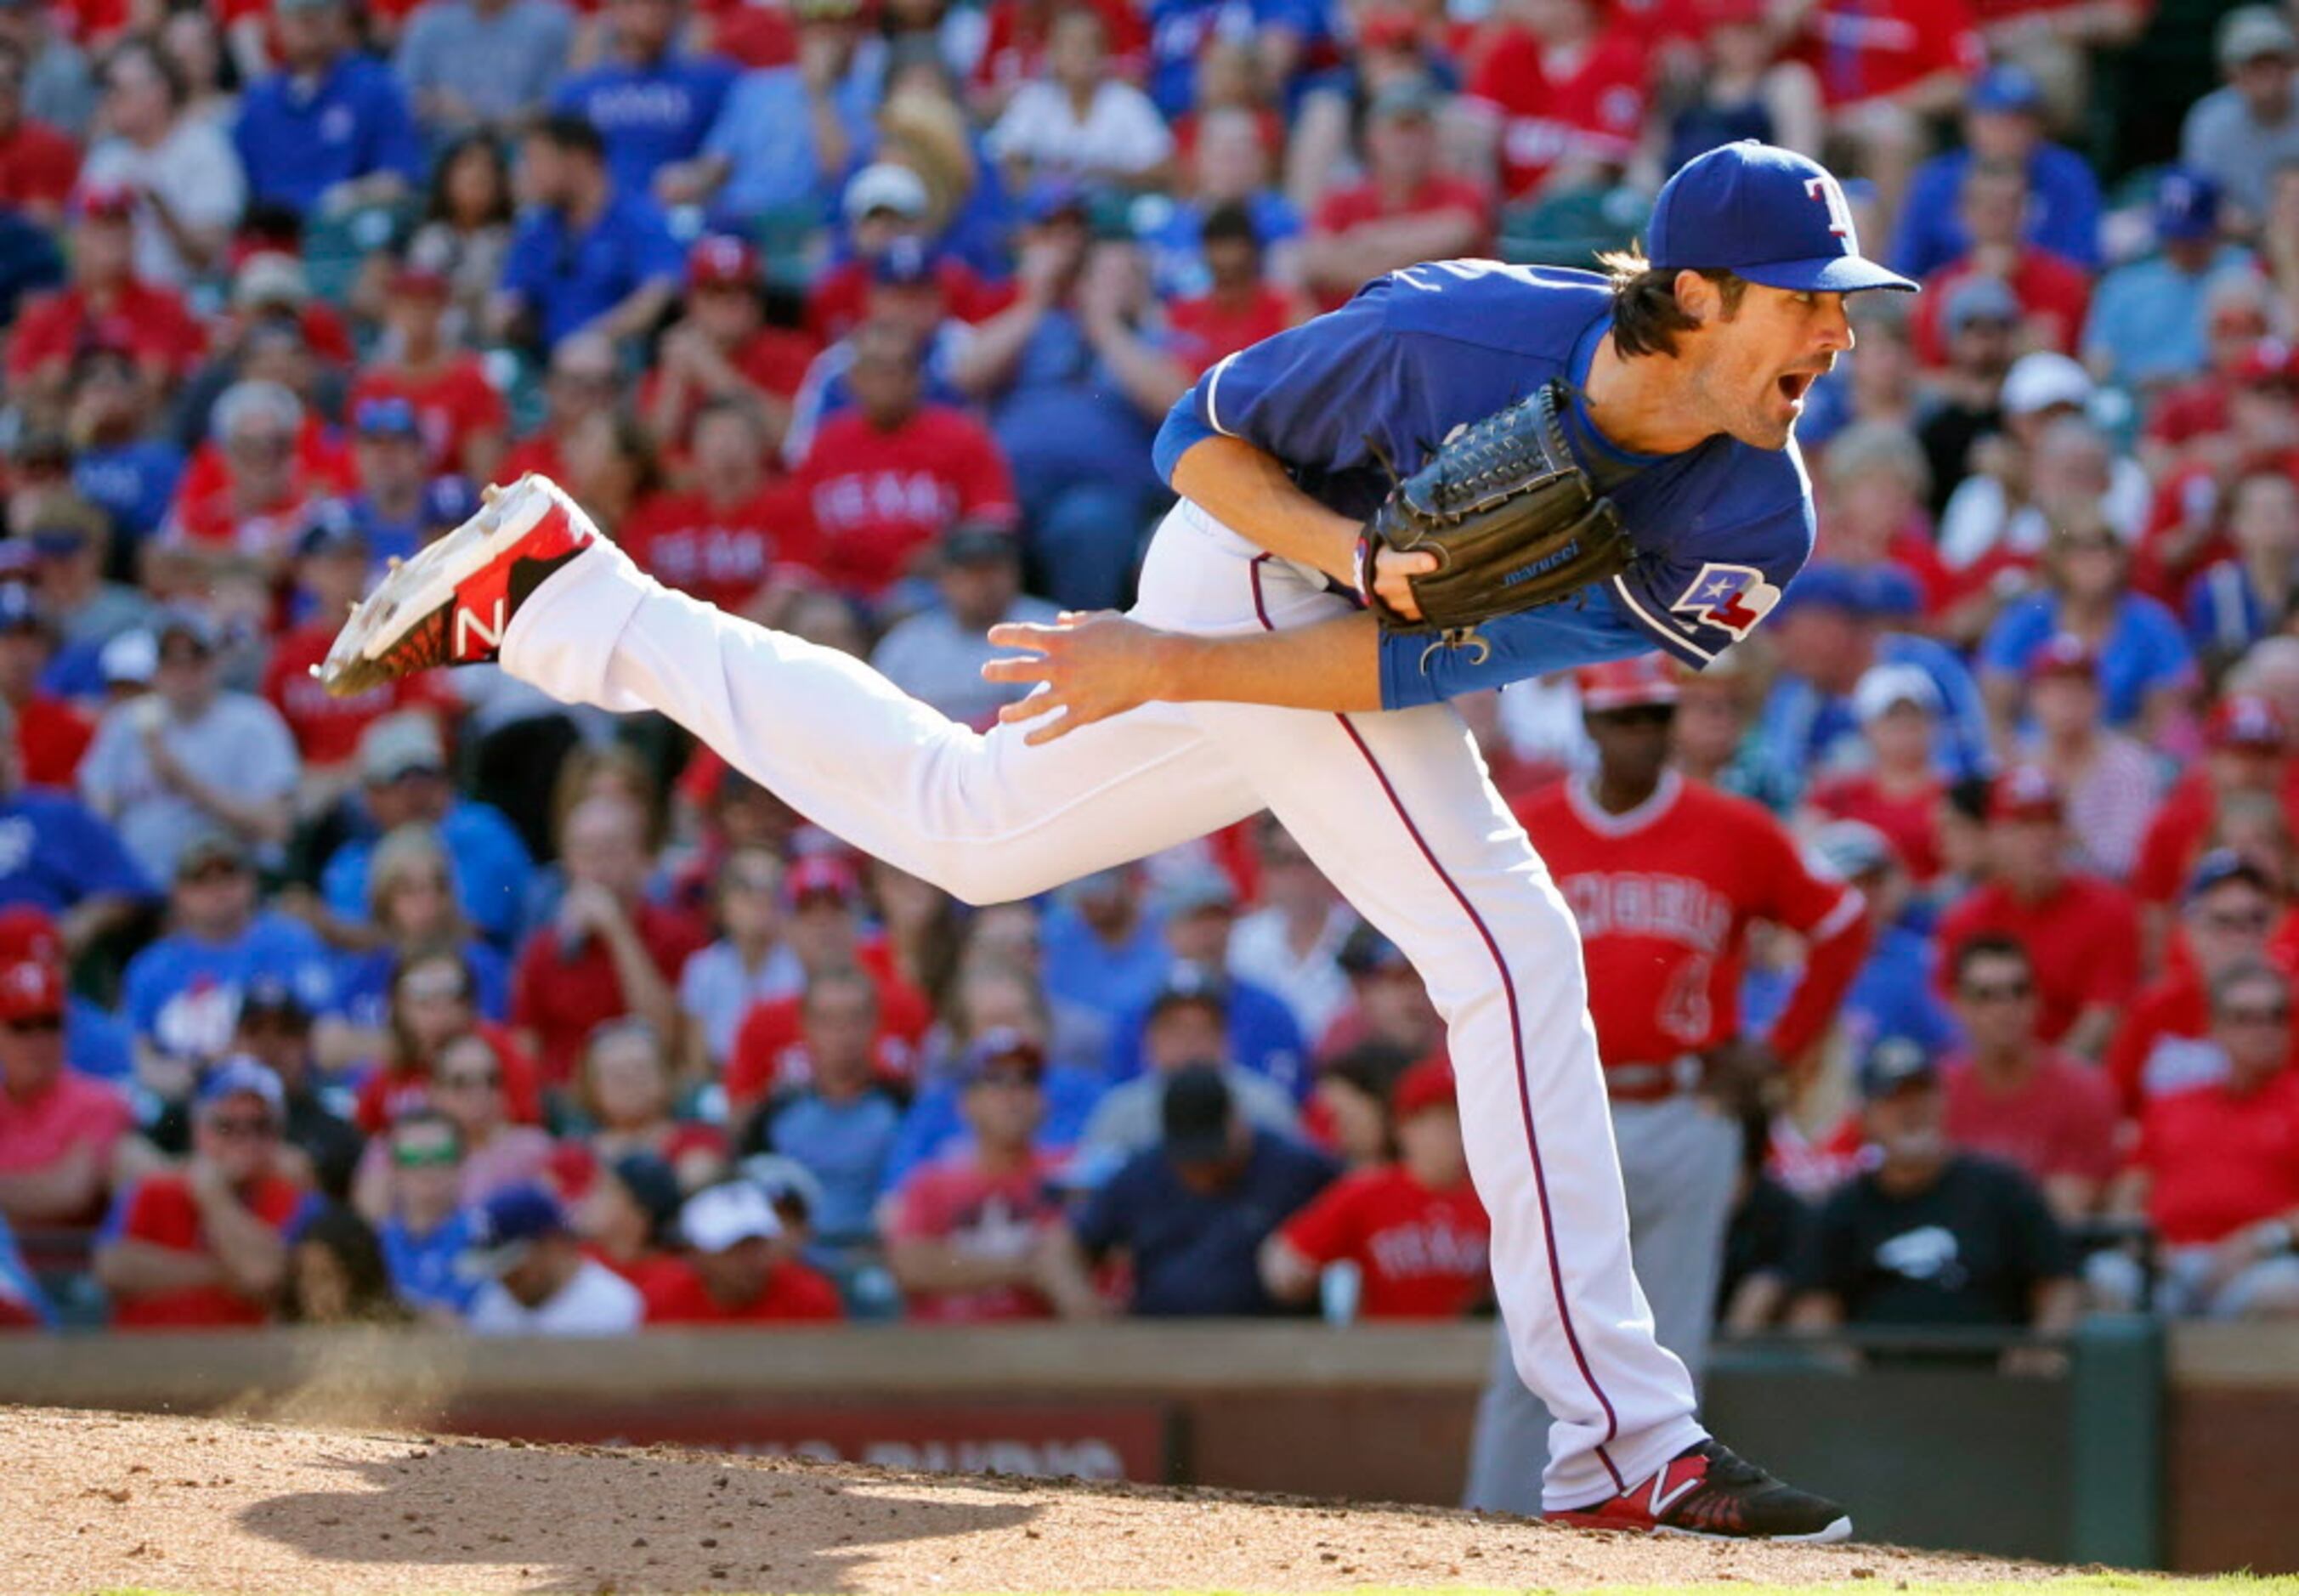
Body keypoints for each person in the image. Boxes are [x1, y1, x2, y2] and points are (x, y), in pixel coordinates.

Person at [324, 139, 1906, 1538]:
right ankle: (1624, 1442)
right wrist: (1333, 557)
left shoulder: (1752, 521)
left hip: (1317, 642)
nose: (1838, 329)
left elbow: (1412, 664)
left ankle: (567, 598)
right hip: (1252, 540)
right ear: (1691, 294)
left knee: (973, 830)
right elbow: (1198, 441)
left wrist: (1189, 671)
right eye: (1805, 297)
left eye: (1842, 299)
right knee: (1510, 944)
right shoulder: (1463, 331)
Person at [1466, 654, 1868, 1515]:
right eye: (1623, 719)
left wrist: (1780, 1048)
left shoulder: (1732, 829)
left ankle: (1652, 1535)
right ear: (1588, 724)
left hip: (1689, 1104)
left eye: (1654, 716)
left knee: (1666, 1350)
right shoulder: (1524, 827)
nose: (1641, 735)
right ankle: (1490, 1537)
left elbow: (1839, 921)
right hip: (1564, 1110)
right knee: (1529, 1350)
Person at [1787, 1037, 2082, 1354]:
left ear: (1943, 1101)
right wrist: (1838, 1371)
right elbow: (1812, 1307)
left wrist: (2041, 1352)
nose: (1911, 1110)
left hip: (1994, 1386)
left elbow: (2059, 1283)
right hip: (1877, 1390)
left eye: (1921, 1094)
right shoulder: (1844, 1209)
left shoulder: (2002, 1189)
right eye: (1894, 1099)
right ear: (1866, 1120)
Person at [1050, 1065, 1335, 1319]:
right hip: (1162, 1346)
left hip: (1277, 1345)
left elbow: (1359, 1206)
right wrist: (1084, 1306)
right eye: (1191, 1158)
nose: (1202, 1170)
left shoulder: (1296, 1168)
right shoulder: (1143, 1173)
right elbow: (1067, 1247)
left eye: (1212, 1155)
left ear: (1236, 1124)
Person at [2108, 960, 2299, 1318]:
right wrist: (2143, 1246)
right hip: (2167, 1265)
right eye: (2245, 1017)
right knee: (2104, 1279)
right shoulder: (2171, 1104)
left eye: (2276, 1016)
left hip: (2266, 1263)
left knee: (2284, 1290)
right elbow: (2128, 1196)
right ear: (2213, 1026)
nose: (2264, 1029)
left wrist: (2264, 1240)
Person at [77, 607, 300, 885]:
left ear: (216, 661)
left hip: (225, 881)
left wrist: (183, 780)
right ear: (155, 670)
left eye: (195, 658)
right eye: (170, 661)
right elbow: (100, 810)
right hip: (139, 887)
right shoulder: (126, 722)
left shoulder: (252, 721)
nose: (183, 672)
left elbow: (276, 826)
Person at [1933, 767, 2142, 1059]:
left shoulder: (2110, 910)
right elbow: (1952, 1019)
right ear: (1993, 835)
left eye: (2051, 822)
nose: (2042, 837)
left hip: (2075, 1080)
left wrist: (2044, 1090)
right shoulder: (1963, 920)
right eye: (2024, 824)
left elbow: (2103, 1018)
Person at [94, 1057, 317, 1329]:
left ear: (278, 1135)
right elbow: (112, 1268)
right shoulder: (153, 1189)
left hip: (248, 1362)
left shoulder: (297, 1199)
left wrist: (214, 1197)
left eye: (260, 1126)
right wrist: (219, 1272)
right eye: (226, 1126)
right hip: (146, 1358)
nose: (245, 1140)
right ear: (199, 1130)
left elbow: (263, 1275)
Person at [1259, 1056, 1488, 1320]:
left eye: (1463, 1120)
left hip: (1474, 1353)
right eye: (1443, 1121)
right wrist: (1294, 1277)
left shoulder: (1495, 1197)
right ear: (1405, 1128)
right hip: (1383, 1352)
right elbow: (1283, 1263)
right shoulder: (1369, 1192)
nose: (1457, 1134)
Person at [881, 1030, 1079, 1321]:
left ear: (1043, 1099)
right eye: (996, 1079)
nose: (1013, 1094)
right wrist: (1028, 1268)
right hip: (950, 1353)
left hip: (1051, 1352)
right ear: (967, 1102)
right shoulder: (932, 1183)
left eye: (1027, 1079)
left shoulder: (1072, 1173)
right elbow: (908, 1265)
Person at [1938, 935, 2118, 1223]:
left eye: (2018, 991)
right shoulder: (1935, 1093)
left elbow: (2069, 1206)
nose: (2005, 1006)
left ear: (2037, 1000)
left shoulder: (2083, 1089)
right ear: (1958, 1005)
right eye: (1986, 995)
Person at [490, 111, 683, 354]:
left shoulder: (641, 220)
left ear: (578, 159)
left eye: (537, 160)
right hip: (545, 363)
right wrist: (506, 318)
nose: (529, 172)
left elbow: (655, 296)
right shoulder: (539, 229)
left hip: (613, 362)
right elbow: (508, 298)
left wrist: (592, 339)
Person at [229, 0, 422, 220]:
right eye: (296, 14)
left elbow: (399, 178)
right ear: (275, 23)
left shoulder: (378, 87)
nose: (308, 22)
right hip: (270, 235)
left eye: (318, 12)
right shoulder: (258, 100)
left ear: (340, 18)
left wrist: (352, 195)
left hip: (348, 232)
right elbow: (234, 189)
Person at [0, 911, 132, 1231]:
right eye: (22, 1027)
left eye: (51, 1024)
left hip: (71, 1272)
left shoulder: (99, 1100)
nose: (39, 1040)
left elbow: (67, 1192)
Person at [871, 522, 1062, 727]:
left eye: (993, 570)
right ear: (945, 580)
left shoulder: (1052, 629)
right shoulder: (906, 643)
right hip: (930, 753)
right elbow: (880, 718)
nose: (984, 584)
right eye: (971, 573)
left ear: (1015, 573)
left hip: (1021, 751)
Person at [639, 1178, 844, 1324]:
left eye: (756, 1244)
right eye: (731, 1248)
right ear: (695, 1253)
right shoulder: (661, 1301)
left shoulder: (810, 1297)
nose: (748, 1258)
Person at [462, 1180, 644, 1335]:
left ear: (553, 1244)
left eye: (513, 1266)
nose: (504, 1278)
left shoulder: (613, 1305)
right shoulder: (491, 1306)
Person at [2181, 6, 2299, 230]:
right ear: (2230, 73)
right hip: (2240, 243)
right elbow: (2201, 199)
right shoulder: (2209, 119)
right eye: (2254, 64)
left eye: (2275, 61)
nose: (2268, 74)